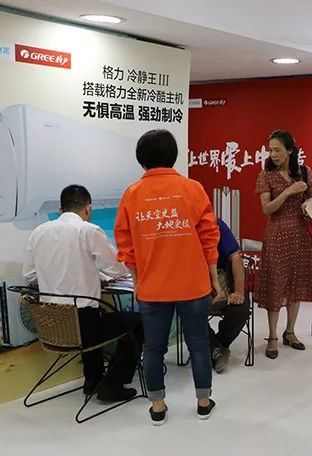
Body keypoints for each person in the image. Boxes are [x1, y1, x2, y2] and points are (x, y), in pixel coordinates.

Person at [114, 129, 222, 426]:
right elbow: (209, 237)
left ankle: (158, 406)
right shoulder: (193, 189)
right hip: (193, 284)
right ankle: (203, 402)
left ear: (141, 160)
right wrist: (214, 278)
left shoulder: (132, 194)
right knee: (198, 343)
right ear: (173, 156)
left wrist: (137, 280)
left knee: (153, 347)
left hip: (152, 287)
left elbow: (126, 245)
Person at [22, 185, 141, 402]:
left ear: (61, 209)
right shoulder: (89, 231)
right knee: (137, 322)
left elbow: (29, 275)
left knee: (96, 316)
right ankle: (112, 384)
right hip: (84, 325)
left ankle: (93, 380)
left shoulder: (38, 233)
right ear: (88, 209)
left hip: (52, 324)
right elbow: (116, 268)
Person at [255, 130, 312, 359]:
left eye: (277, 150)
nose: (273, 154)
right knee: (275, 285)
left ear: (290, 150)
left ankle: (290, 332)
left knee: (296, 284)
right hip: (277, 235)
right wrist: (288, 192)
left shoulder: (304, 172)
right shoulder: (266, 175)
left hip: (301, 236)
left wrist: (311, 202)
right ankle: (272, 336)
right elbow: (267, 209)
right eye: (270, 150)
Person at [209, 217, 251, 373]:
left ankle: (217, 345)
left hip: (224, 278)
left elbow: (235, 256)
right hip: (194, 282)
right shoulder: (181, 228)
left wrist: (238, 292)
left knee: (241, 309)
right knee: (190, 311)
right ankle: (214, 348)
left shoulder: (216, 224)